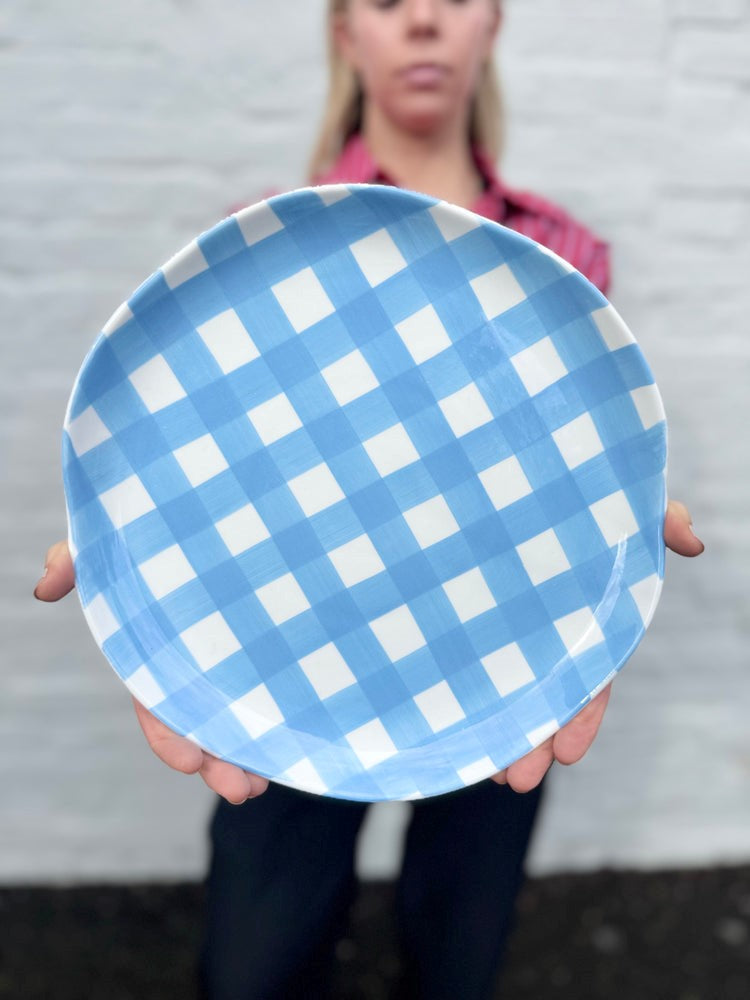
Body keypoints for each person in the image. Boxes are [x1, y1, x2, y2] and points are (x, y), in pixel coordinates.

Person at [35, 1, 705, 997]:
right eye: (390, 4)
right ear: (347, 36)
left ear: (493, 26)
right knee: (254, 962)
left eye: (454, 0)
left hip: (503, 658)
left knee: (458, 956)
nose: (425, 20)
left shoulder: (564, 253)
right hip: (287, 664)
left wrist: (623, 519)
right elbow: (219, 456)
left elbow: (583, 460)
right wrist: (138, 524)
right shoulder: (267, 246)